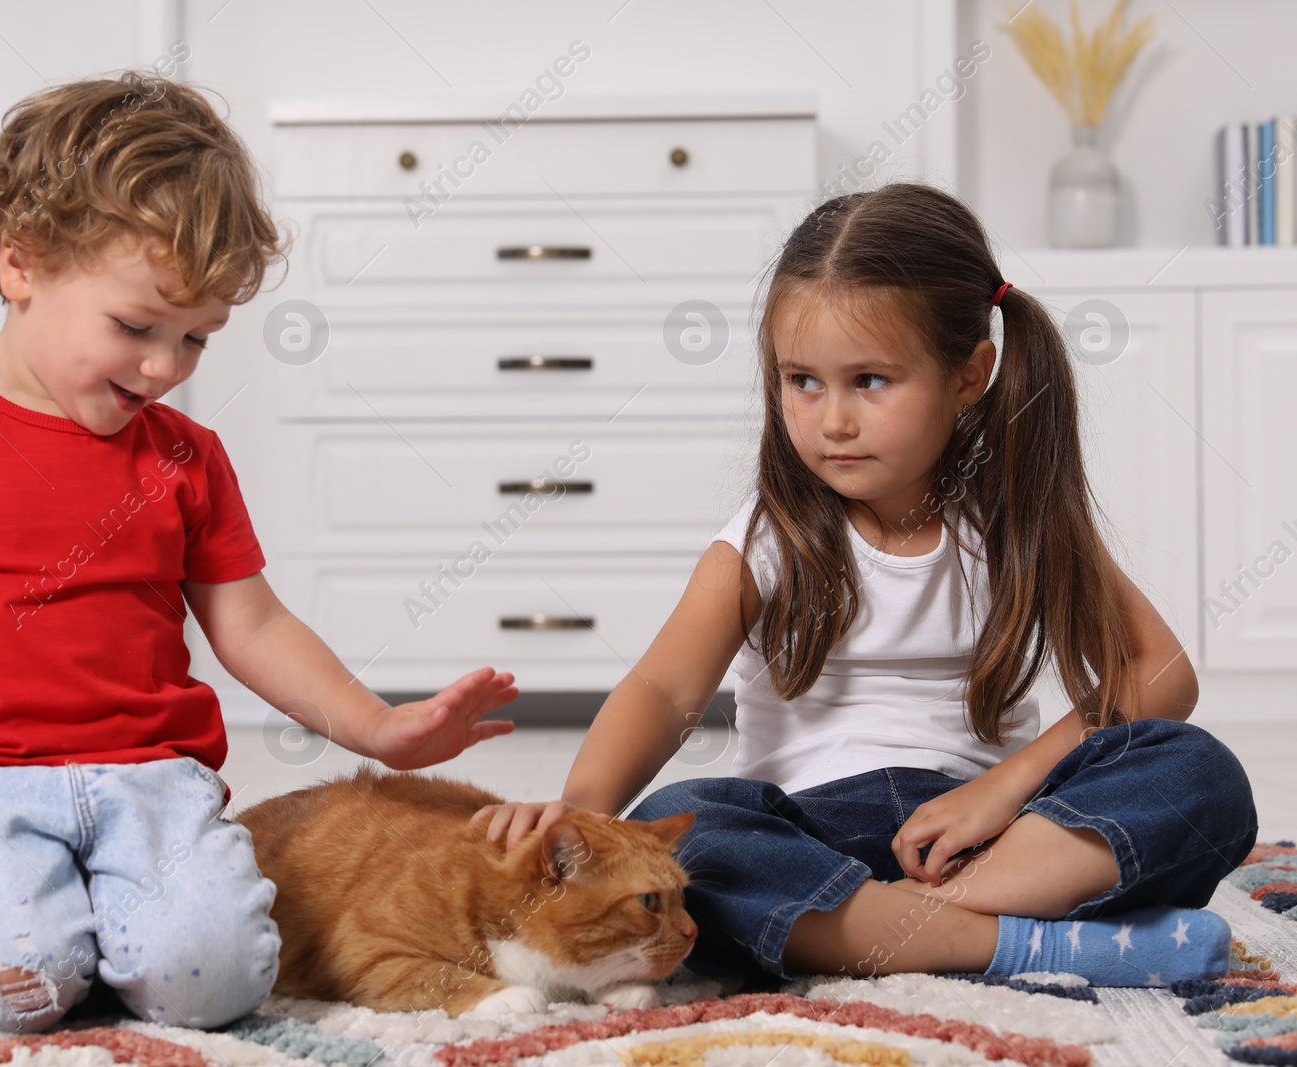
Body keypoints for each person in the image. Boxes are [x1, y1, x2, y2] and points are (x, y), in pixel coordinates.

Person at [0, 72, 518, 1035]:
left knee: (215, 983)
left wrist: (375, 727)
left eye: (196, 339)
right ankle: (50, 924)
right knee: (2, 992)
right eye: (136, 327)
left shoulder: (187, 460)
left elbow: (253, 621)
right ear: (21, 265)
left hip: (152, 779)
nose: (165, 368)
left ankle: (110, 928)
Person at [472, 182, 1257, 989]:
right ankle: (1023, 944)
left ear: (968, 375)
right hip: (807, 828)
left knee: (1200, 774)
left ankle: (892, 924)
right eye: (802, 380)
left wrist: (1003, 787)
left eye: (870, 380)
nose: (831, 420)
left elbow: (1160, 672)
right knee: (698, 833)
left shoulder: (1017, 518)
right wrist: (585, 817)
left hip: (993, 839)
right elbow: (666, 689)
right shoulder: (763, 537)